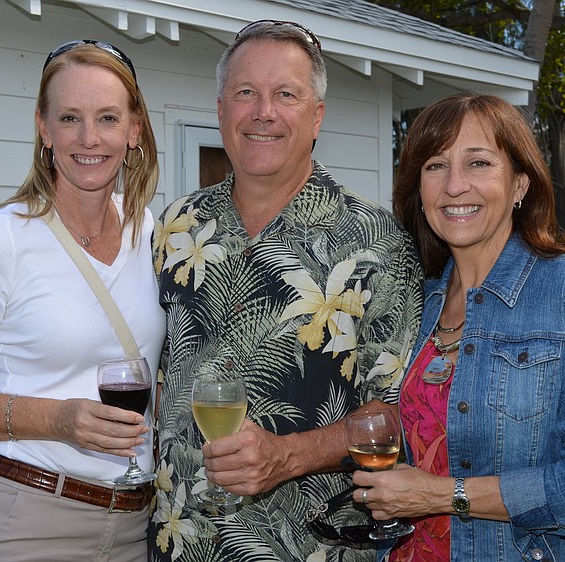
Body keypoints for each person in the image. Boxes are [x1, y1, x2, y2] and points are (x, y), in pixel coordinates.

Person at [148, 19, 423, 562]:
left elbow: (396, 416)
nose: (263, 112)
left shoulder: (377, 242)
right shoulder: (177, 227)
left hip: (306, 547)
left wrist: (287, 455)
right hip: (177, 542)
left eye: (286, 95)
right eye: (245, 93)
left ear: (317, 116)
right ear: (221, 109)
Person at [352, 92, 565, 562]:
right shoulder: (418, 302)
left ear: (519, 185)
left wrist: (442, 496)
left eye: (479, 163)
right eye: (434, 166)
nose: (453, 185)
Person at [0, 40, 164, 562]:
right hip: (26, 521)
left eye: (107, 117)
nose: (89, 138)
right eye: (70, 117)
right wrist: (57, 420)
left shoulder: (148, 231)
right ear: (44, 128)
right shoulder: (4, 239)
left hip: (136, 526)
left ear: (134, 130)